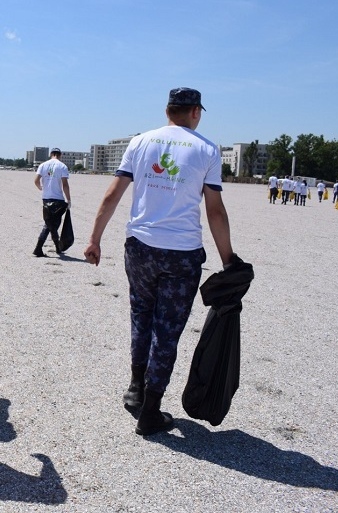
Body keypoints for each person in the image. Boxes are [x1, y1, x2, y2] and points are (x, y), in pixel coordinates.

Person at [83, 88, 237, 437]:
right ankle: (150, 411)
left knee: (141, 315)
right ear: (195, 112)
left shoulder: (140, 142)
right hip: (182, 253)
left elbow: (113, 194)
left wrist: (94, 239)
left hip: (141, 247)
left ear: (168, 110)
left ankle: (136, 387)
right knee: (167, 329)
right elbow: (214, 210)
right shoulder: (207, 148)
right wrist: (229, 261)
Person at [33, 148, 71, 256]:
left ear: (51, 154)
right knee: (52, 224)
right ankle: (40, 248)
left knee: (50, 223)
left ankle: (56, 247)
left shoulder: (43, 165)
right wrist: (69, 199)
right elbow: (65, 185)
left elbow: (36, 180)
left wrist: (41, 188)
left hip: (46, 198)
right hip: (58, 199)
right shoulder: (62, 166)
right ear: (60, 155)